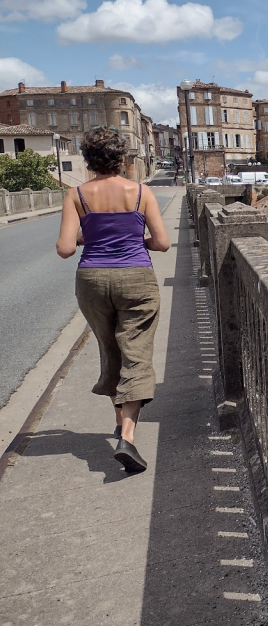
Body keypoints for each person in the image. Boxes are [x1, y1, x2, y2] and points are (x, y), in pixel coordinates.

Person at [56, 128, 171, 474]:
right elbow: (162, 243)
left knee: (110, 349)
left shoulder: (76, 195)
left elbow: (64, 249)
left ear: (89, 162)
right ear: (122, 160)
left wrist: (86, 234)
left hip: (91, 279)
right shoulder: (141, 193)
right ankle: (128, 435)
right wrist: (139, 240)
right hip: (136, 278)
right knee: (136, 354)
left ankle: (119, 421)